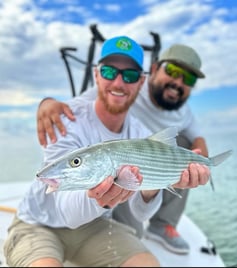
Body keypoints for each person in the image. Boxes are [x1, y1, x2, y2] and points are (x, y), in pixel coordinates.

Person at [4, 36, 210, 267]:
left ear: (140, 83)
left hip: (96, 227)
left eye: (130, 75)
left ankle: (162, 226)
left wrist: (151, 187)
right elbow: (67, 212)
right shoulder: (64, 118)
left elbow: (141, 215)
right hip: (40, 223)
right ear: (96, 75)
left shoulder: (141, 132)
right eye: (110, 72)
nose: (119, 83)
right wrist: (46, 101)